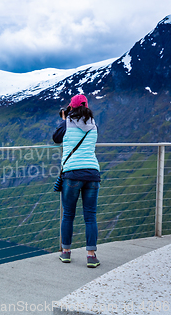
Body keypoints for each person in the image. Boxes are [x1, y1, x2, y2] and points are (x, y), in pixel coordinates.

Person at [52, 94, 101, 268]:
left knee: (68, 215)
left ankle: (65, 253)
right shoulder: (93, 124)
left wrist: (65, 119)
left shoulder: (67, 123)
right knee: (90, 216)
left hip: (72, 174)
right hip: (92, 174)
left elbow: (56, 138)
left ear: (71, 108)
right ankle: (91, 255)